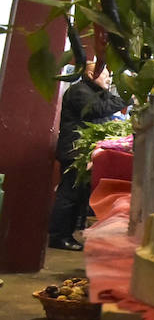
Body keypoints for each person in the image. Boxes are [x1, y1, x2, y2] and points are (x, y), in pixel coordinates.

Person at [48, 60, 124, 251]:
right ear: (91, 75)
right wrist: (126, 97)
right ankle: (59, 237)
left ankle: (68, 234)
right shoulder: (80, 91)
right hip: (75, 150)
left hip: (81, 150)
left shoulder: (94, 93)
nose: (108, 78)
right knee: (69, 195)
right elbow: (98, 109)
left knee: (78, 194)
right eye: (104, 74)